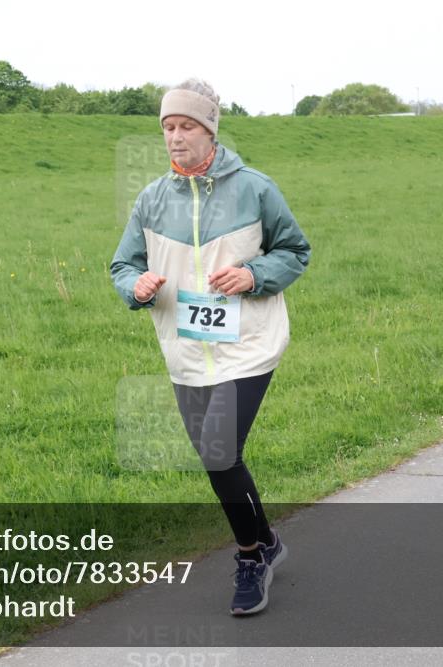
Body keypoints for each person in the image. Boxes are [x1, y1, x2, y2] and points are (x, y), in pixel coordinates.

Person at [110, 78, 311, 615]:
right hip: (184, 350)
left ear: (210, 130)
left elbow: (295, 250)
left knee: (220, 452)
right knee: (216, 458)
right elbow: (123, 264)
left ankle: (250, 556)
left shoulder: (255, 188)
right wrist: (136, 286)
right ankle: (266, 540)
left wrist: (252, 274)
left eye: (186, 126)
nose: (175, 137)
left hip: (249, 344)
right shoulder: (151, 199)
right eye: (168, 128)